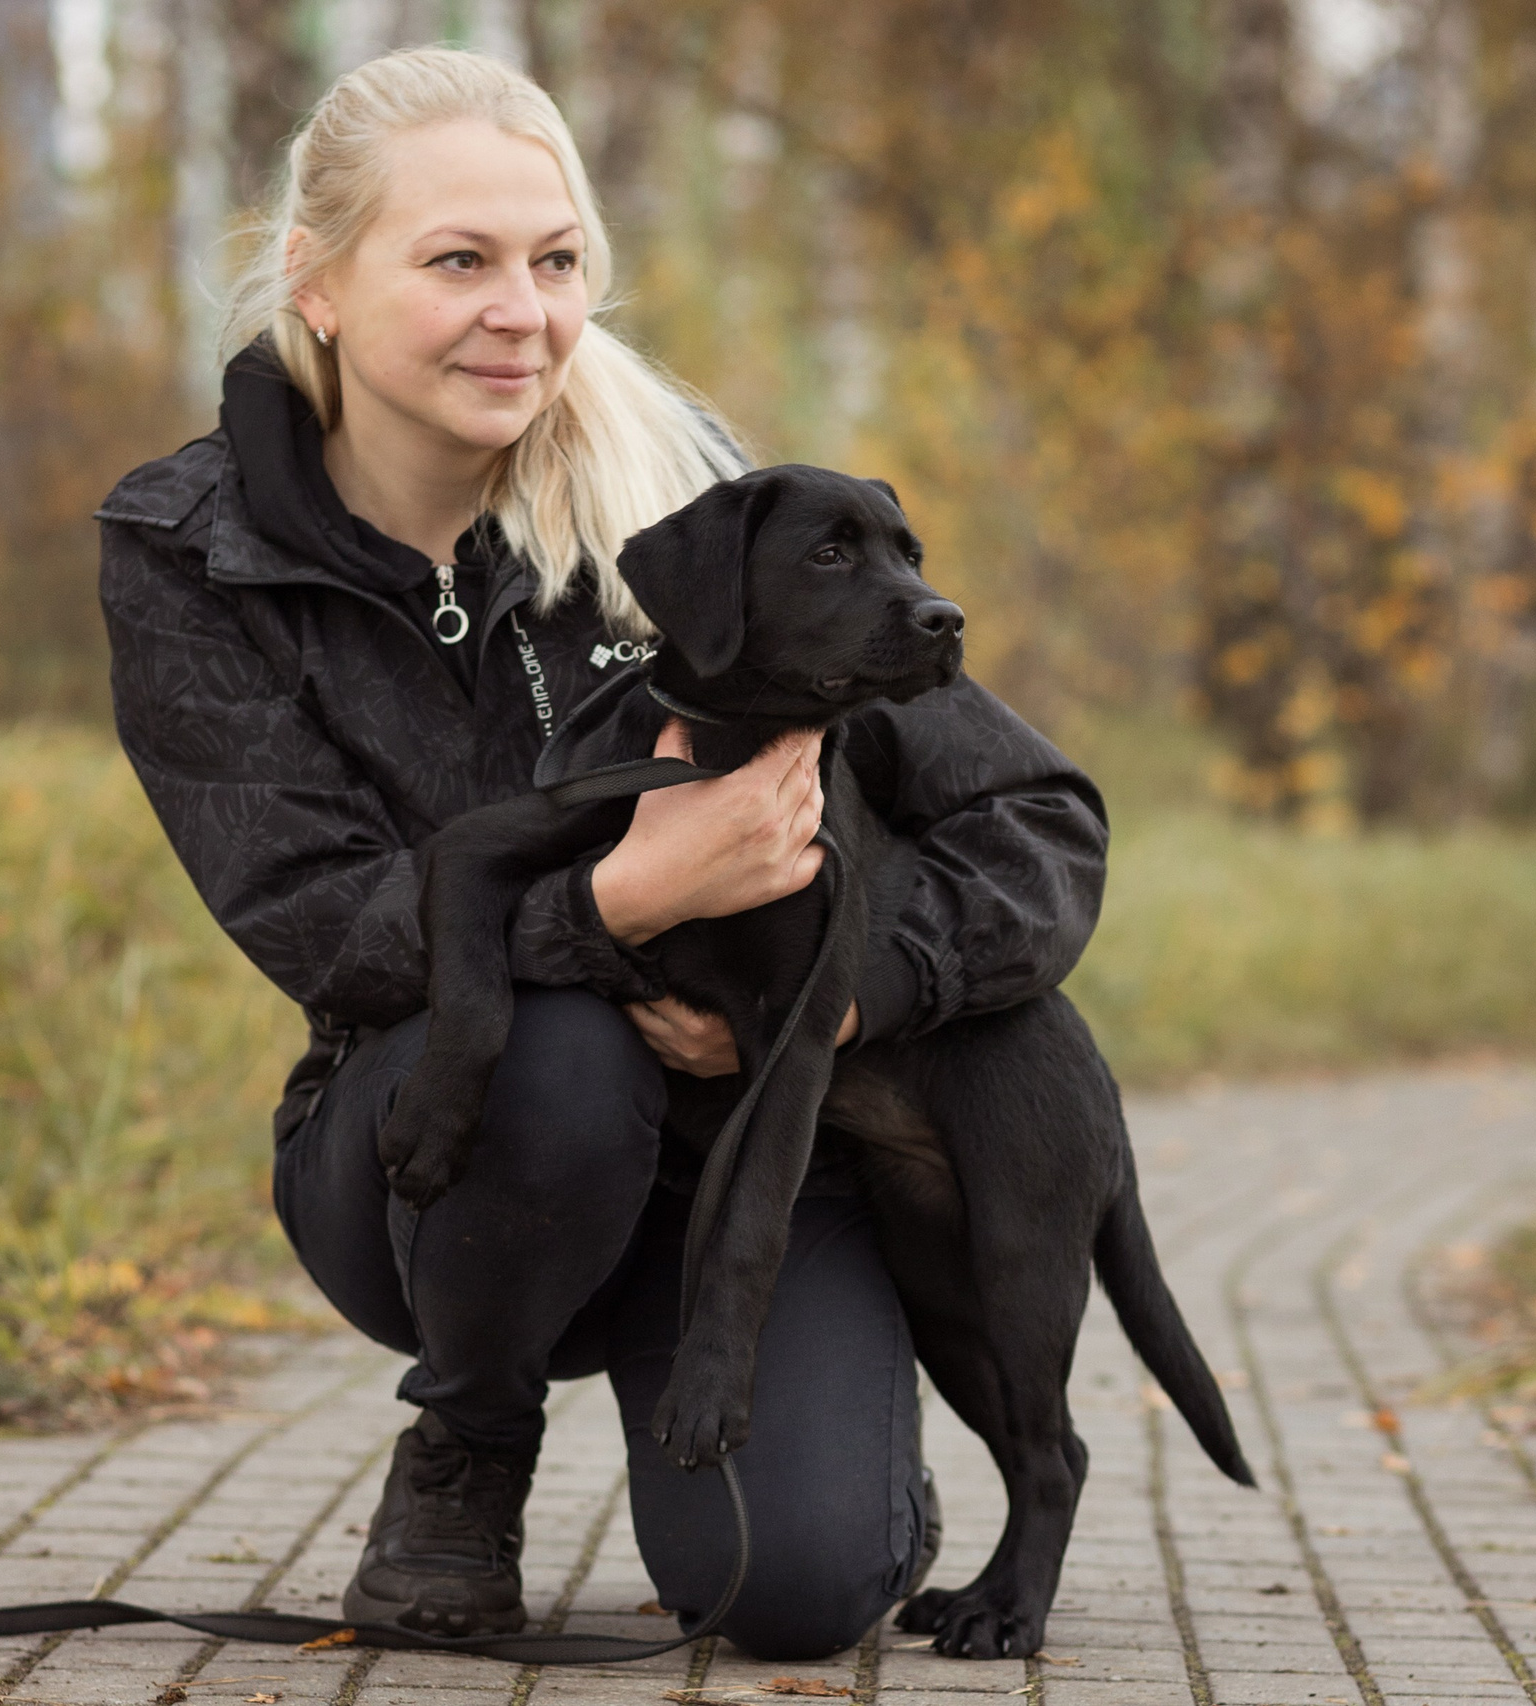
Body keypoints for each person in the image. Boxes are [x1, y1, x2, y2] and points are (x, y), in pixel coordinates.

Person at [95, 48, 1105, 1662]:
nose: (523, 310)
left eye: (556, 261)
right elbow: (329, 927)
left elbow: (1038, 822)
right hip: (436, 1148)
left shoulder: (695, 497)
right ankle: (469, 1449)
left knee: (798, 1591)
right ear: (319, 283)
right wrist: (630, 895)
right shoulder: (189, 550)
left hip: (755, 1161)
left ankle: (847, 1444)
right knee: (552, 1044)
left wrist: (858, 1001)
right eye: (458, 260)